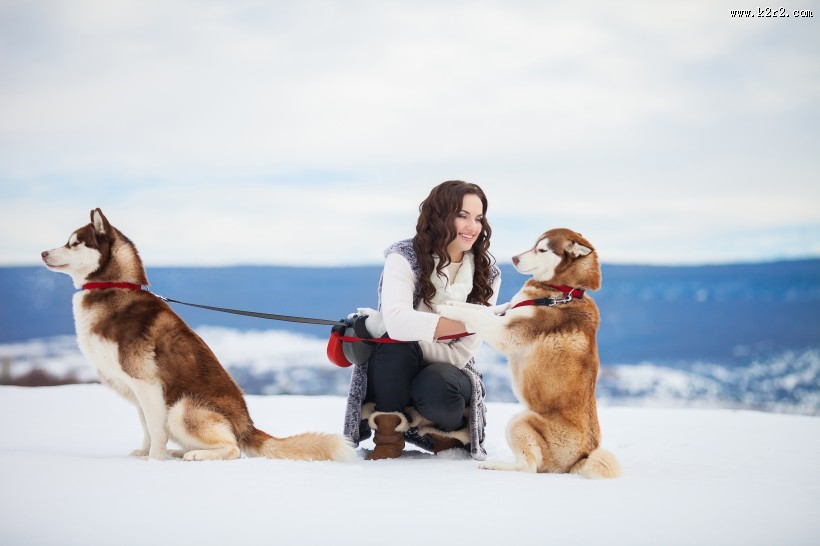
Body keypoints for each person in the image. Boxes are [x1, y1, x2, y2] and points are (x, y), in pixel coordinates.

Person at [342, 180, 503, 460]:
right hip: (396, 366)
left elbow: (459, 354)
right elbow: (398, 324)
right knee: (393, 344)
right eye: (462, 215)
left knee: (436, 379)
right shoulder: (405, 258)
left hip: (449, 372)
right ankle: (388, 439)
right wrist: (475, 322)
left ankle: (445, 438)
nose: (472, 227)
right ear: (440, 215)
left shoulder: (487, 273)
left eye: (478, 218)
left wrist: (414, 335)